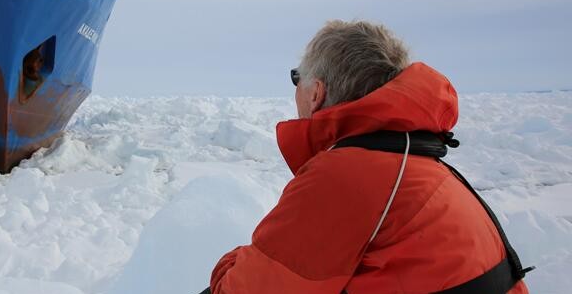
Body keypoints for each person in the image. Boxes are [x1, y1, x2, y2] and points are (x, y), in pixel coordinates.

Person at [205, 20, 530, 294]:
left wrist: (234, 262)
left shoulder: (346, 175)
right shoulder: (413, 164)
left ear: (316, 93)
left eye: (296, 78)